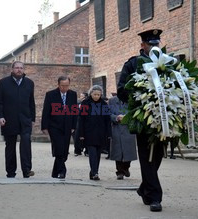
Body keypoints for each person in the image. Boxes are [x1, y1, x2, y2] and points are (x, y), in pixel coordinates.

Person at [117, 29, 164, 212]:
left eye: (156, 44)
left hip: (164, 118)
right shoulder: (133, 64)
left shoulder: (167, 62)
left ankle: (145, 187)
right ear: (142, 45)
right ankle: (155, 198)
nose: (154, 47)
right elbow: (121, 89)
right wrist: (140, 96)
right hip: (142, 117)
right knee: (146, 156)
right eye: (150, 44)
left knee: (158, 156)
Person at [0, 61, 36, 178]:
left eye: (21, 68)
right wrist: (0, 116)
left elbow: (31, 102)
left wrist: (32, 118)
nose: (19, 70)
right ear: (12, 69)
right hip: (9, 119)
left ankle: (27, 170)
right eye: (16, 68)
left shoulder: (29, 83)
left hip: (25, 119)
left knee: (26, 143)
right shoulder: (3, 83)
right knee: (10, 146)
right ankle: (11, 172)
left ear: (23, 69)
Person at [41, 76, 77, 179]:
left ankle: (54, 172)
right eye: (62, 86)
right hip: (54, 126)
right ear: (58, 85)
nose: (64, 88)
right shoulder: (50, 95)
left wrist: (74, 126)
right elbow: (46, 111)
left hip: (68, 126)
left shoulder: (72, 94)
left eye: (67, 86)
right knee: (58, 148)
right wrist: (45, 127)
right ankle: (62, 171)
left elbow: (74, 111)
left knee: (64, 151)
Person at [78, 85, 112, 180]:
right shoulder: (85, 103)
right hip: (89, 133)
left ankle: (93, 171)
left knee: (98, 154)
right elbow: (81, 120)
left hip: (101, 133)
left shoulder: (104, 104)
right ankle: (95, 173)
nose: (96, 96)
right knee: (92, 153)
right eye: (95, 94)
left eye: (98, 94)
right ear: (91, 93)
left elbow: (107, 120)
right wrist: (81, 134)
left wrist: (109, 134)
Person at [109, 95, 137, 180]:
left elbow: (135, 112)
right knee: (118, 151)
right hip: (116, 127)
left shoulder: (132, 99)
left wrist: (126, 117)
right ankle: (120, 172)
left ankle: (126, 167)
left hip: (128, 127)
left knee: (128, 150)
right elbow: (108, 113)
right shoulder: (112, 101)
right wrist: (116, 117)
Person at [73, 92, 88, 156]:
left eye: (82, 96)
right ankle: (77, 151)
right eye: (80, 96)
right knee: (77, 137)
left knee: (87, 136)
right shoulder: (77, 104)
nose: (80, 98)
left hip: (86, 122)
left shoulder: (88, 104)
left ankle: (87, 151)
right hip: (78, 122)